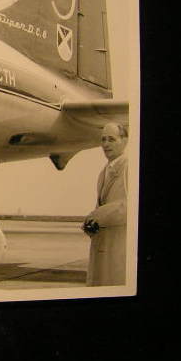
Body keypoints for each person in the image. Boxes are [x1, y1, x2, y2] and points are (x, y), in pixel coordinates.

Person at [82, 122, 129, 286]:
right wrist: (89, 224)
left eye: (111, 139)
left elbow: (130, 207)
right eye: (103, 139)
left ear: (125, 141)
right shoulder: (104, 172)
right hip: (102, 243)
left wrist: (95, 217)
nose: (106, 144)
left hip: (119, 245)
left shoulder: (129, 167)